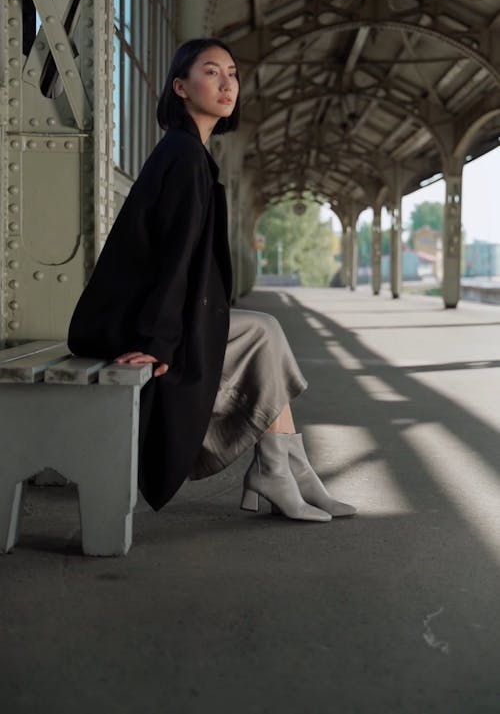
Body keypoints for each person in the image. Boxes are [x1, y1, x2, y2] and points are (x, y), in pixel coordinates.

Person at [68, 37, 356, 522]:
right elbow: (172, 258)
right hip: (125, 321)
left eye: (233, 74)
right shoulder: (181, 156)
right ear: (181, 87)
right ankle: (283, 472)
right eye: (211, 72)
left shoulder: (193, 155)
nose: (227, 84)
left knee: (265, 331)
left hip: (145, 312)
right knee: (263, 333)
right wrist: (159, 341)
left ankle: (286, 470)